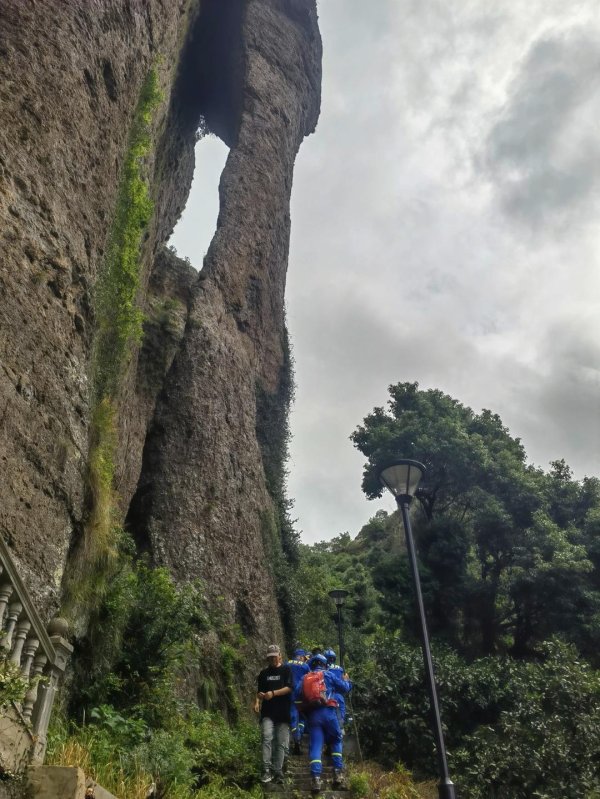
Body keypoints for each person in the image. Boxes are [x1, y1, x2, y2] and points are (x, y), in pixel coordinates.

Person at [295, 653, 352, 793]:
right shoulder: (329, 675)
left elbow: (296, 694)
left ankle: (316, 780)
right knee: (336, 740)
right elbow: (344, 688)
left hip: (313, 717)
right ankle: (338, 774)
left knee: (315, 746)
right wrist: (348, 681)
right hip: (329, 713)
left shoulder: (305, 678)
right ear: (325, 664)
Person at [254, 644, 292, 784]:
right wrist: (258, 700)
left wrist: (273, 693)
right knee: (267, 738)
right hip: (268, 712)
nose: (272, 660)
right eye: (270, 658)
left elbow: (289, 688)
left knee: (281, 743)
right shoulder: (264, 673)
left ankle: (278, 771)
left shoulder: (286, 670)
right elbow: (259, 691)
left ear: (279, 655)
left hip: (282, 712)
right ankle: (266, 770)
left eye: (274, 657)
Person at [287, 647, 310, 754]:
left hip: (289, 696)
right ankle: (299, 735)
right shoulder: (305, 666)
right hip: (301, 697)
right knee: (302, 718)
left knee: (293, 719)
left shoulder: (287, 664)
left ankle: (297, 740)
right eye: (304, 658)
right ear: (300, 657)